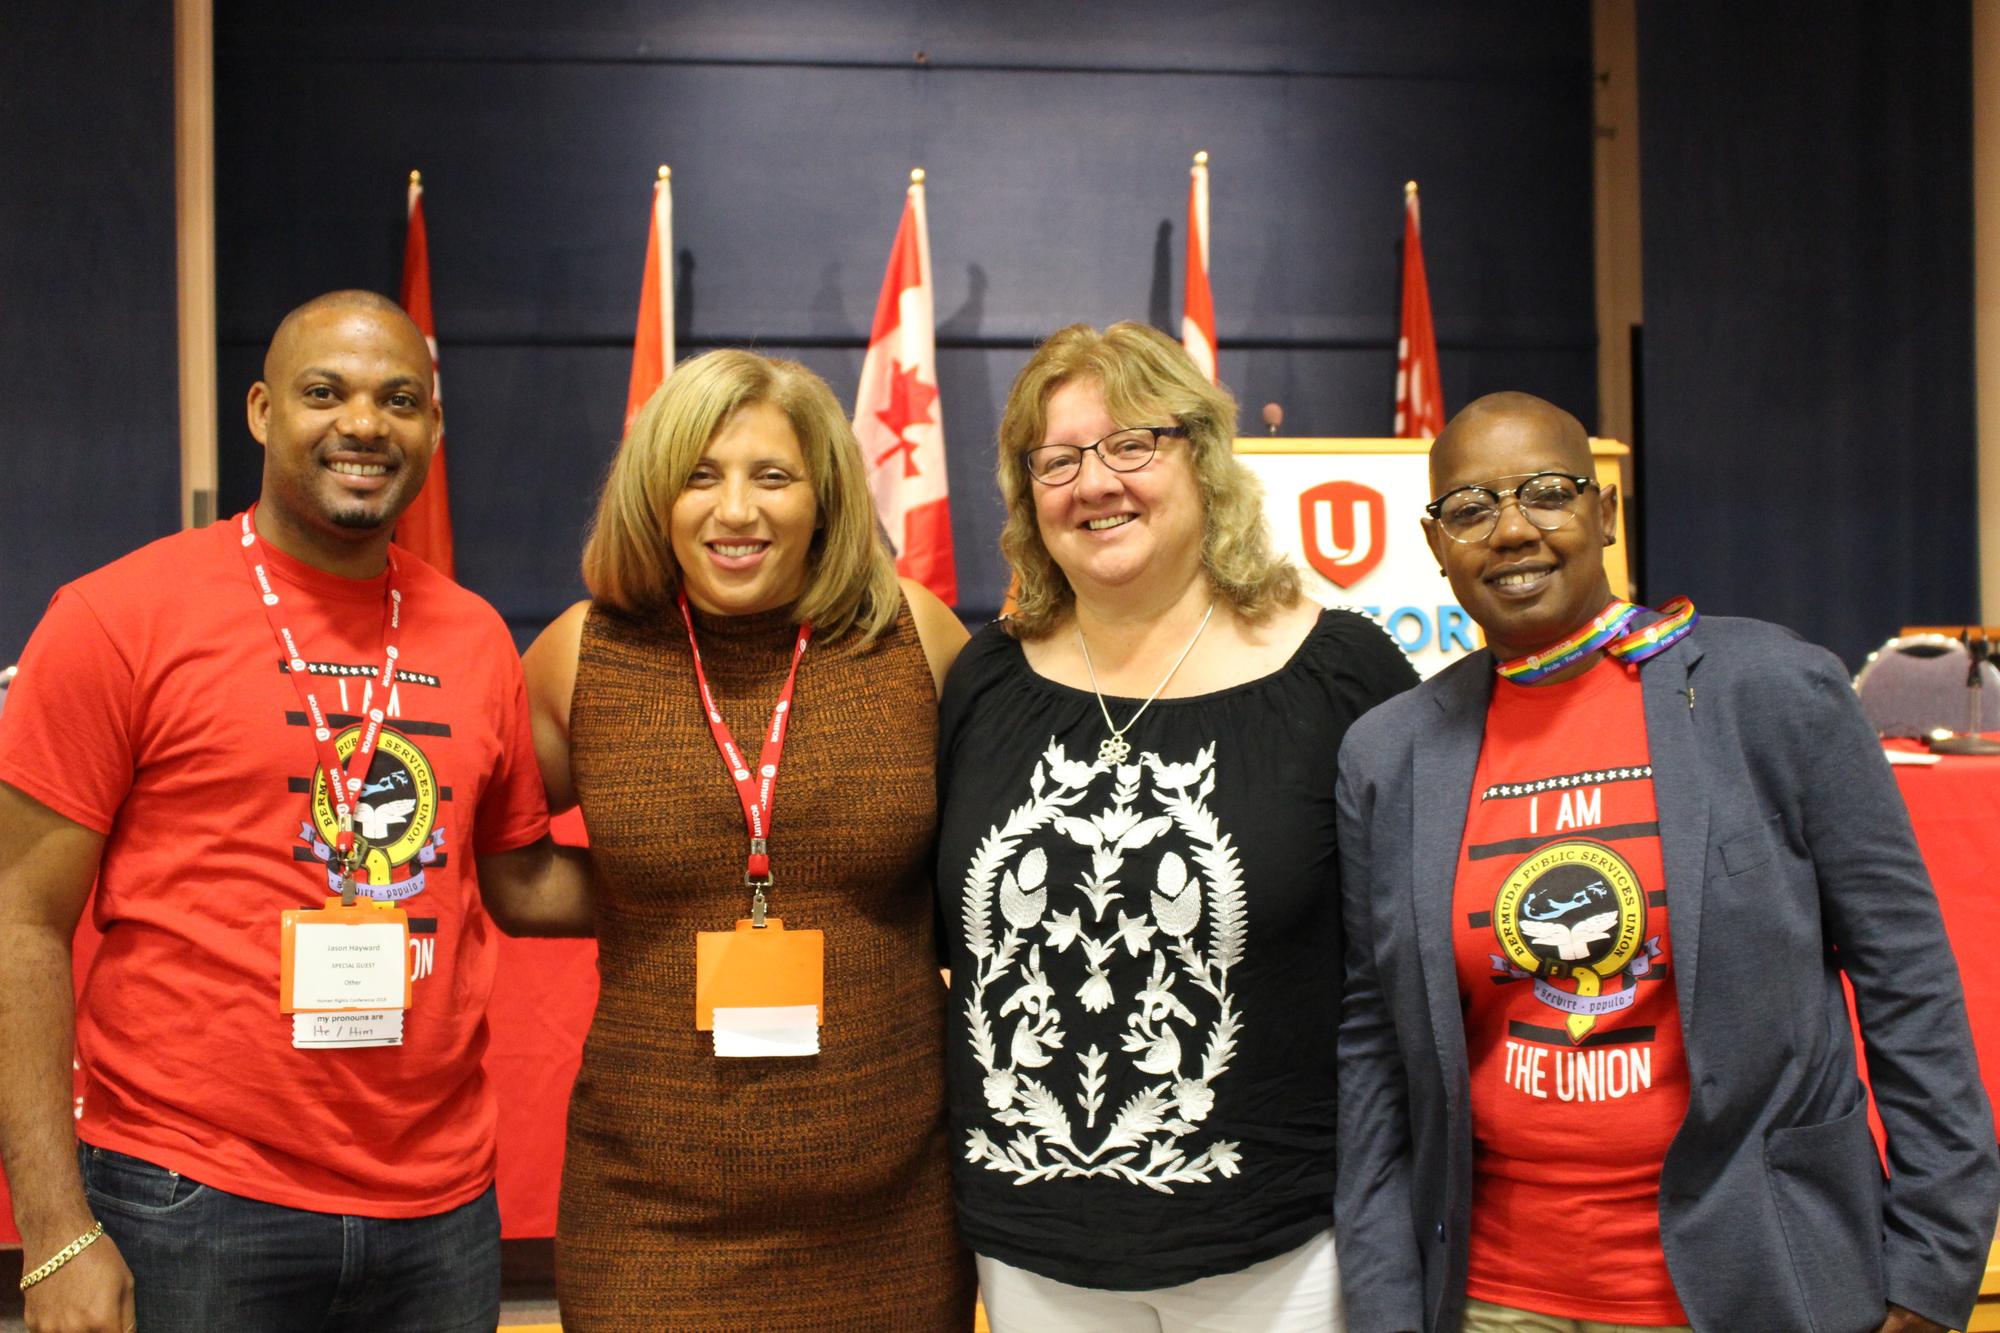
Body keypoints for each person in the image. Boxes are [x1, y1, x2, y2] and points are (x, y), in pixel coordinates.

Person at [1333, 391, 2000, 1333]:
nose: (1513, 530)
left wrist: (1932, 1266)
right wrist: (1385, 1300)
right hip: (1491, 1297)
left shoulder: (1770, 694)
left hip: (1763, 1279)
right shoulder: (1390, 753)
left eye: (1547, 493)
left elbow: (1909, 981)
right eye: (1472, 508)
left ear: (1606, 513)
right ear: (1437, 544)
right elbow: (1375, 1041)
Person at [0, 290, 592, 1333]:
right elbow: (18, 923)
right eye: (326, 392)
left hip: (440, 1211)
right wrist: (53, 1228)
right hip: (191, 1196)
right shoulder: (117, 617)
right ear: (263, 411)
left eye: (398, 400)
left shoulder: (475, 636)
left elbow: (521, 878)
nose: (363, 424)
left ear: (434, 430)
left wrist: (746, 883)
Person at [934, 322, 1418, 1331]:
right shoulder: (983, 679)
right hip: (1032, 1251)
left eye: (1129, 444)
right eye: (1056, 459)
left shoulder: (1341, 675)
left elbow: (1406, 958)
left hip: (1278, 1249)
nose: (1092, 482)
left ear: (1200, 458)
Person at [522, 348, 975, 1330]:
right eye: (699, 476)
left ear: (826, 497)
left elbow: (987, 871)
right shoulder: (580, 652)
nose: (735, 509)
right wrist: (649, 899)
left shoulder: (915, 637)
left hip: (890, 1212)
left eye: (771, 476)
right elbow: (505, 868)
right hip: (652, 1216)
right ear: (654, 498)